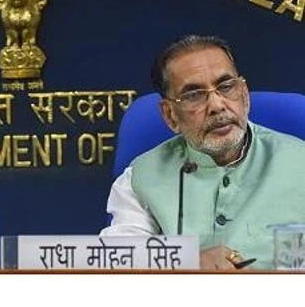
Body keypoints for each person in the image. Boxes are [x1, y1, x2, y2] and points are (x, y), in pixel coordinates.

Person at [101, 35, 305, 270]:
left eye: (226, 87)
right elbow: (117, 261)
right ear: (170, 115)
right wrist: (185, 263)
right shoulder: (140, 176)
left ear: (245, 95)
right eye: (194, 95)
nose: (217, 105)